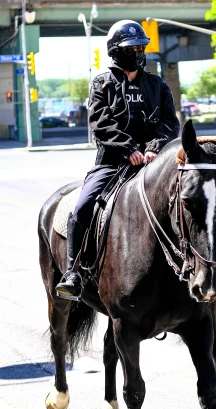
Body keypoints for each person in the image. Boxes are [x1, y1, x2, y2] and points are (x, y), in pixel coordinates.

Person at [55, 20, 180, 300]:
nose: (138, 51)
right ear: (116, 50)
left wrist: (153, 147)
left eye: (141, 46)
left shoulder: (157, 85)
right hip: (112, 163)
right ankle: (73, 271)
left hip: (152, 162)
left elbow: (170, 124)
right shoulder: (102, 82)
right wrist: (128, 148)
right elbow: (100, 123)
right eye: (131, 47)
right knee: (83, 206)